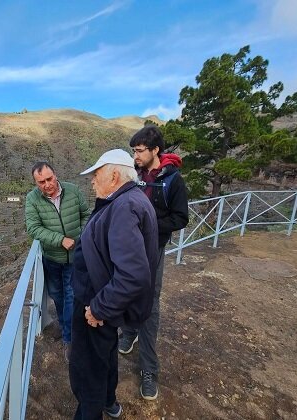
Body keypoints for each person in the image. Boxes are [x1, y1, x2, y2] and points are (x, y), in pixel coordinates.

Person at [69, 149, 159, 420]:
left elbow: (132, 274)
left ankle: (91, 411)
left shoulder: (123, 207)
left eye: (96, 176)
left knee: (87, 369)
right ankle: (109, 401)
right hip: (102, 302)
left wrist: (98, 308)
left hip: (95, 305)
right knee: (105, 356)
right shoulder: (129, 200)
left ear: (115, 175)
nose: (92, 182)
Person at [119, 125, 189, 400]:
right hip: (130, 249)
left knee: (150, 304)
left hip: (153, 250)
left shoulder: (173, 180)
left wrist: (149, 226)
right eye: (133, 151)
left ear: (155, 150)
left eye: (139, 151)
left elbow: (180, 218)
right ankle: (129, 331)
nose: (134, 155)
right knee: (126, 292)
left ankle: (149, 369)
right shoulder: (134, 175)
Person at [25, 161, 91, 362]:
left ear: (56, 175)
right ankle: (66, 329)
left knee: (71, 297)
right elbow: (33, 228)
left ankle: (70, 340)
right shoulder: (32, 199)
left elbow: (86, 215)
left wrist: (79, 239)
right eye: (41, 182)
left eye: (49, 179)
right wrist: (60, 240)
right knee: (58, 297)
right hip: (52, 258)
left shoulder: (72, 190)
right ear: (36, 183)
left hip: (75, 258)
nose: (47, 184)